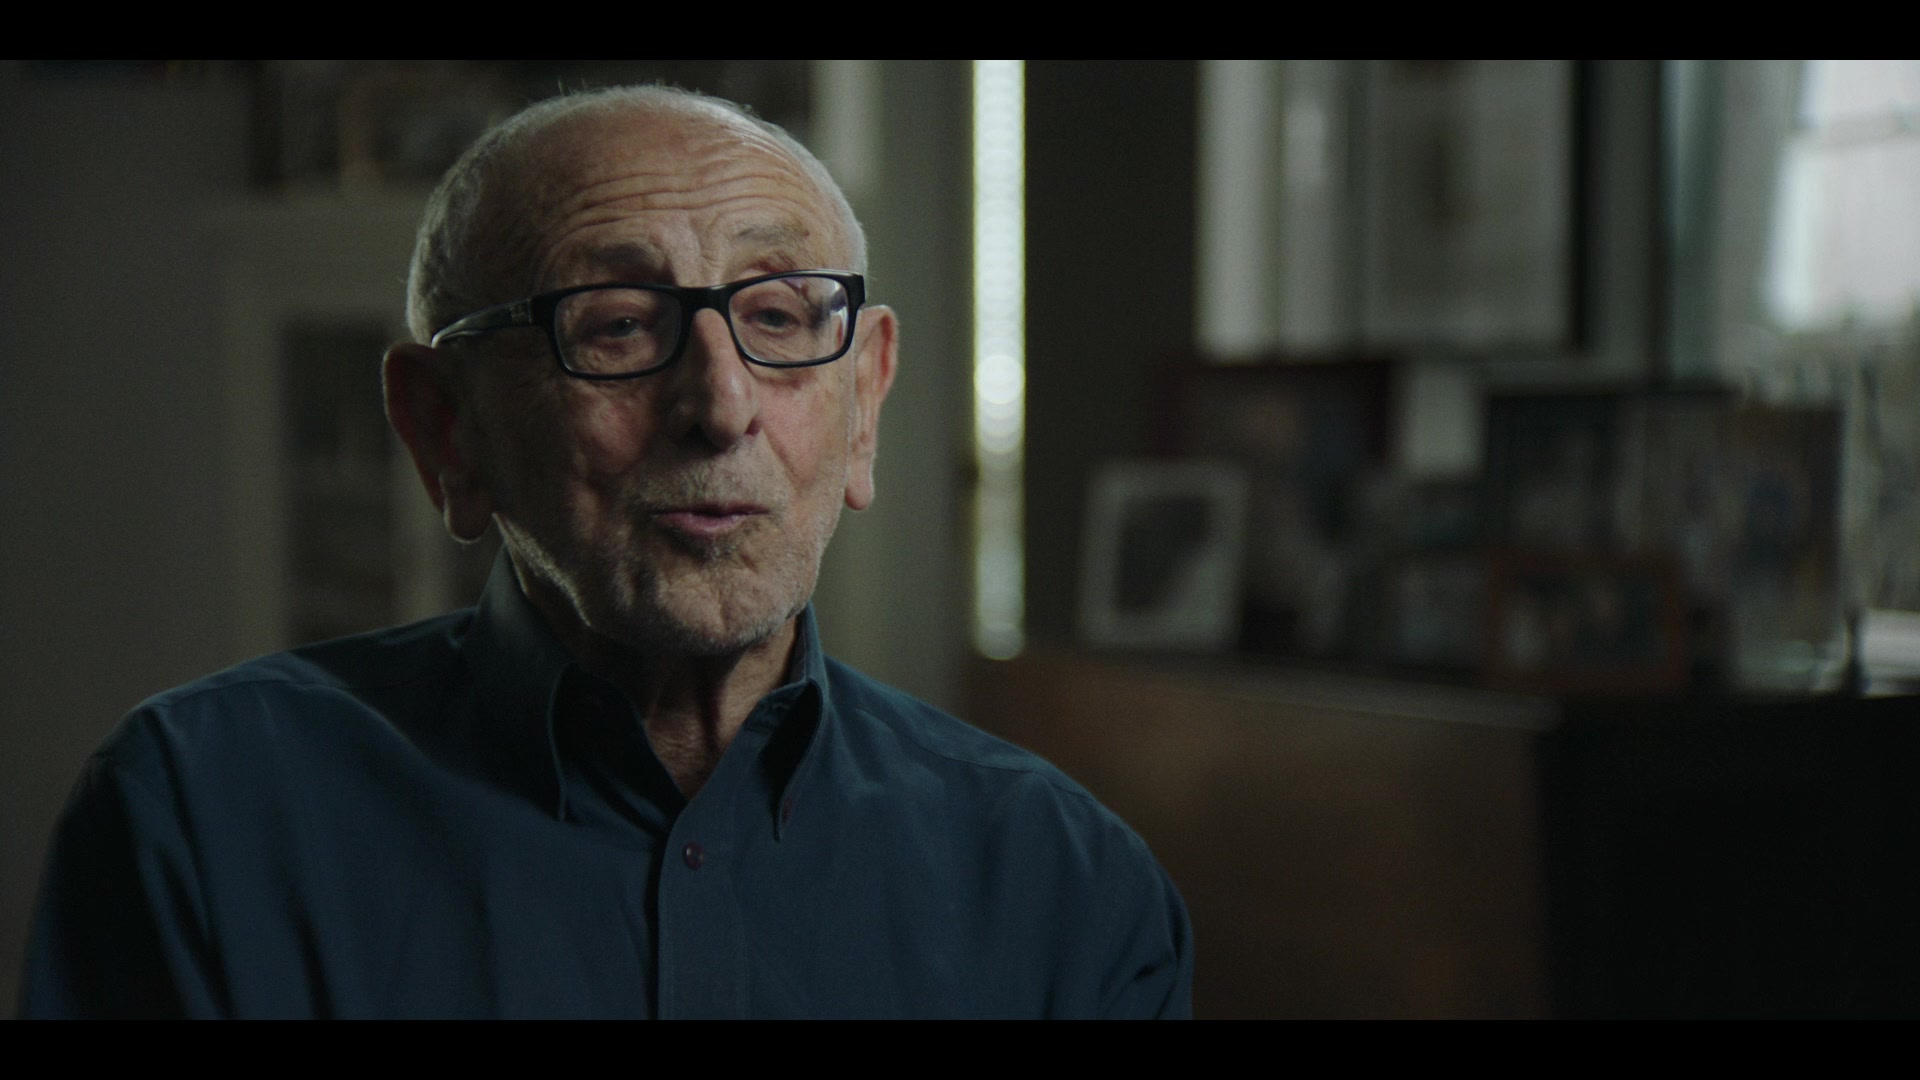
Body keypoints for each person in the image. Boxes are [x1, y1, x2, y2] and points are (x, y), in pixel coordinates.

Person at [17, 85, 1192, 1019]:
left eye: (779, 317)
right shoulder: (204, 815)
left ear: (866, 404)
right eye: (619, 326)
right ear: (445, 427)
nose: (721, 404)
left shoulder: (1065, 887)